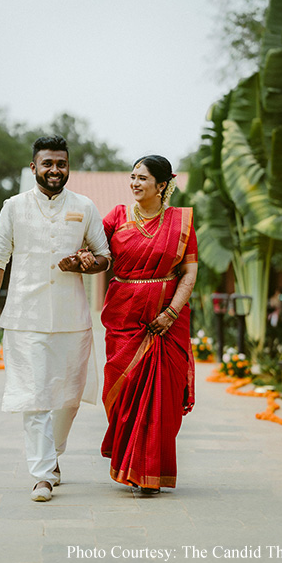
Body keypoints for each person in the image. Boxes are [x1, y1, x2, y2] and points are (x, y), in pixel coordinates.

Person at [0, 135, 110, 502]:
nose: (55, 170)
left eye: (61, 164)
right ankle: (41, 474)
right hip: (25, 317)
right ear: (33, 167)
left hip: (73, 318)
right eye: (47, 164)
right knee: (35, 396)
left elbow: (104, 257)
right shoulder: (14, 206)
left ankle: (52, 456)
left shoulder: (84, 206)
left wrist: (85, 264)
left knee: (69, 398)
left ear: (68, 167)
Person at [100, 155, 198, 494]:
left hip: (166, 322)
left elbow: (189, 271)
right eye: (133, 176)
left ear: (161, 185)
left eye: (143, 178)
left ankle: (149, 473)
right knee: (123, 389)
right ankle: (130, 463)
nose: (135, 183)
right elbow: (97, 251)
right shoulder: (116, 217)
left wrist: (170, 313)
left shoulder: (181, 222)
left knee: (161, 397)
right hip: (123, 317)